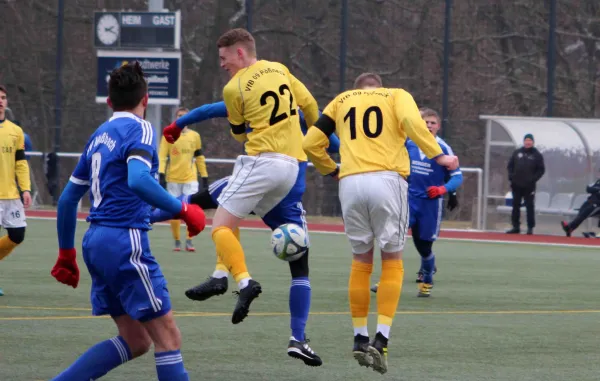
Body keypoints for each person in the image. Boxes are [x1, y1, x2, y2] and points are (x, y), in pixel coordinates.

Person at [162, 28, 323, 364]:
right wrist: (323, 146)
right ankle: (298, 337)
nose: (221, 65)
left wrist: (243, 122)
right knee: (301, 266)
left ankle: (239, 280)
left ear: (239, 53)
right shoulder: (280, 69)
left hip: (263, 163)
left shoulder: (235, 86)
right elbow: (310, 106)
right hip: (294, 174)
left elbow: (236, 133)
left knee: (213, 213)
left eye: (223, 58)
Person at [49, 62, 206, 380]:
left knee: (136, 341)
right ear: (145, 100)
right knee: (168, 338)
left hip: (95, 241)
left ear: (109, 102)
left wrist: (66, 253)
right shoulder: (142, 128)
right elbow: (138, 181)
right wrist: (183, 209)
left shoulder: (98, 136)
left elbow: (67, 199)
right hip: (124, 244)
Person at [156, 101, 339, 367]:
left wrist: (178, 124)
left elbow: (207, 110)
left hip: (256, 178)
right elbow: (332, 144)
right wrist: (317, 128)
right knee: (300, 270)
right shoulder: (302, 113)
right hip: (287, 193)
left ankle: (145, 218)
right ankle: (297, 338)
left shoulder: (251, 99)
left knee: (197, 204)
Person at [302, 72, 458, 374]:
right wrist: (438, 156)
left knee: (361, 261)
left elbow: (310, 142)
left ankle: (360, 337)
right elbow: (414, 125)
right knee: (393, 261)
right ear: (379, 86)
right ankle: (381, 338)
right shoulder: (395, 95)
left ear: (357, 88)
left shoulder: (340, 101)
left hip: (350, 183)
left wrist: (330, 169)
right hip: (387, 180)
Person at [370, 107, 463, 297]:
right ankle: (387, 281)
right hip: (407, 201)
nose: (429, 126)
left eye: (432, 123)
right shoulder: (408, 143)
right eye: (425, 122)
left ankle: (427, 278)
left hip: (430, 205)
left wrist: (443, 190)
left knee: (424, 247)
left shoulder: (443, 148)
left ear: (438, 127)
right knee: (393, 240)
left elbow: (457, 177)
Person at [158, 106, 208, 252]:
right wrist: (161, 173)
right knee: (174, 210)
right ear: (176, 117)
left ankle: (189, 240)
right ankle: (177, 241)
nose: (181, 118)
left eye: (184, 115)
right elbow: (162, 156)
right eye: (179, 115)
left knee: (191, 210)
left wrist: (204, 175)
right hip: (173, 178)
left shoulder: (195, 136)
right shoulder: (168, 135)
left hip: (190, 179)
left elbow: (199, 157)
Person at [0, 85, 32, 297]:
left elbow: (20, 163)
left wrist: (26, 189)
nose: (0, 101)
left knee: (17, 235)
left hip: (11, 195)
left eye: (3, 97)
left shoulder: (15, 131)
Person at [506, 133, 545, 235]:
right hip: (516, 185)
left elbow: (541, 170)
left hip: (529, 186)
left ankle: (530, 228)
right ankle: (515, 226)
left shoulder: (536, 155)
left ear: (532, 142)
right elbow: (510, 166)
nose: (528, 142)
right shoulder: (517, 153)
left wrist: (533, 179)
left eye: (529, 140)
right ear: (524, 142)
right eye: (526, 140)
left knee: (529, 206)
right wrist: (511, 177)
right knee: (515, 206)